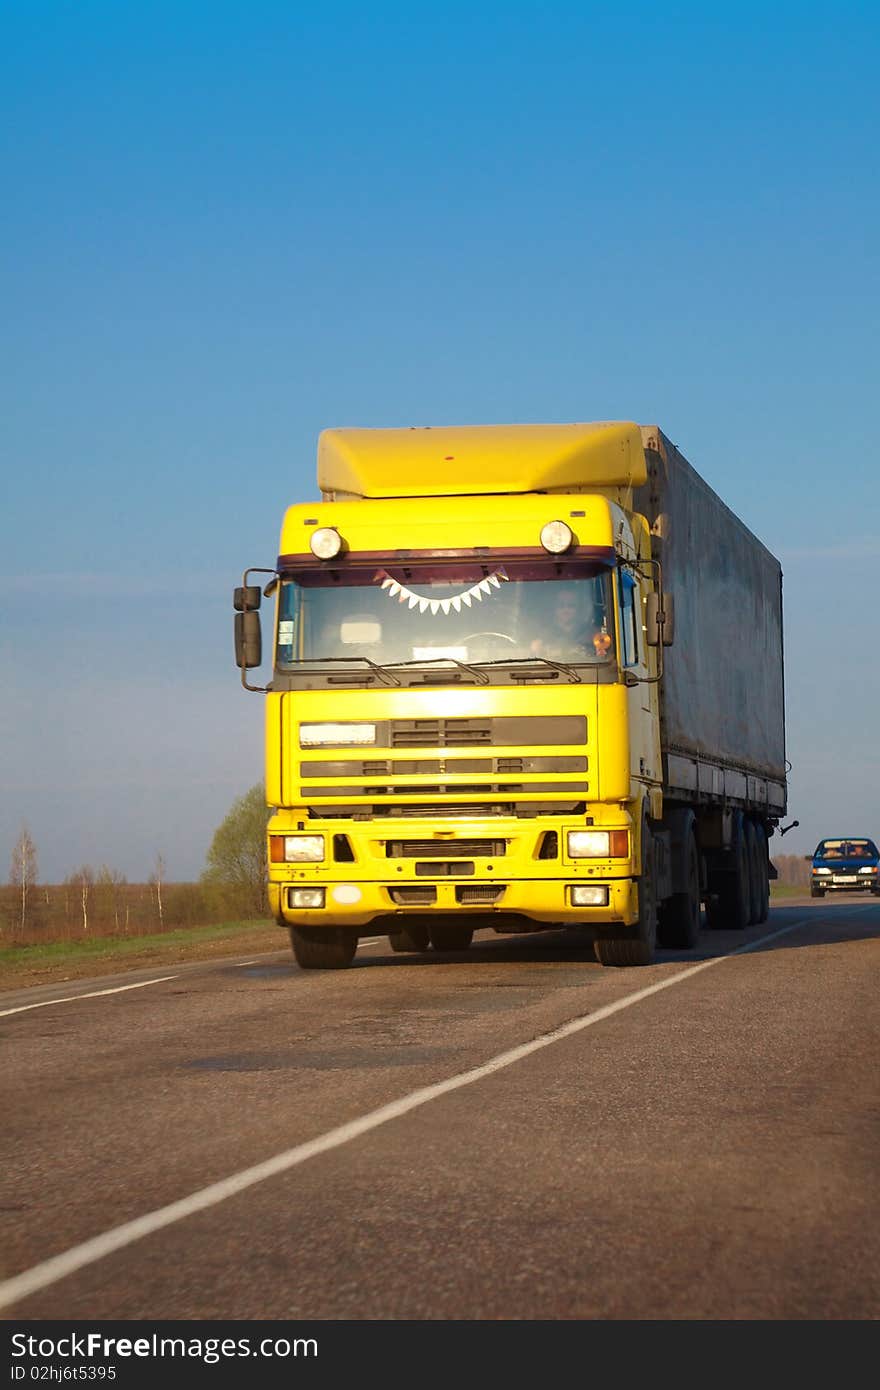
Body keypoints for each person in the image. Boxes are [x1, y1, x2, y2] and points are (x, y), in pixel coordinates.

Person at [531, 585, 614, 662]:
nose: (565, 610)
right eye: (561, 605)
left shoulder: (594, 635)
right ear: (554, 608)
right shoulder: (544, 636)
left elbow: (604, 662)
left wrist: (601, 655)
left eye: (571, 606)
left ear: (578, 608)